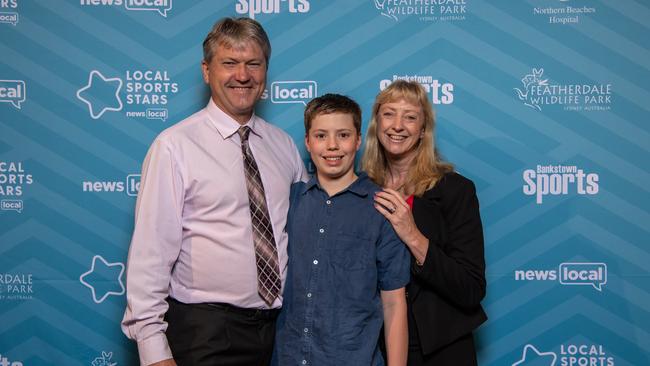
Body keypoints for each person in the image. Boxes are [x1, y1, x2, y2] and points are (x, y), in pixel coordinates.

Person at [121, 17, 306, 366]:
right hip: (205, 332)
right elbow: (151, 252)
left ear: (265, 70)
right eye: (229, 63)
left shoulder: (283, 147)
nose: (243, 75)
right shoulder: (174, 146)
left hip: (281, 332)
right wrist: (153, 349)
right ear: (207, 71)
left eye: (254, 63)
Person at [273, 94, 410, 366]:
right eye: (321, 136)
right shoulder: (290, 200)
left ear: (358, 140)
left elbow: (394, 303)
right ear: (308, 142)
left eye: (343, 135)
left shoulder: (381, 207)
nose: (333, 146)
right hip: (288, 357)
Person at [362, 80, 487, 366]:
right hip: (377, 345)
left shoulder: (456, 191)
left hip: (440, 346)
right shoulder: (361, 190)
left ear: (423, 130)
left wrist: (413, 235)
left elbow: (470, 288)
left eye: (410, 117)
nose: (398, 125)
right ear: (376, 122)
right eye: (389, 113)